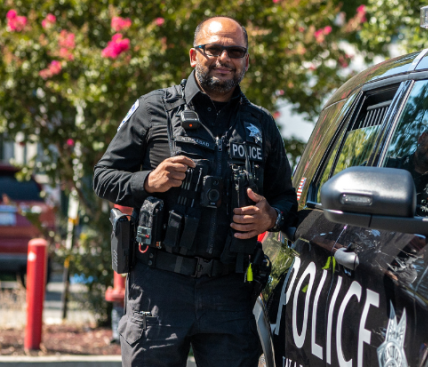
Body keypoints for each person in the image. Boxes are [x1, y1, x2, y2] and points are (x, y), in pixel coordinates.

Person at [92, 16, 296, 367]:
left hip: (230, 292)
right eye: (213, 49)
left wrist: (272, 216)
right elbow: (102, 177)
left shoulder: (260, 124)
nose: (224, 58)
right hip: (159, 287)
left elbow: (286, 197)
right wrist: (147, 182)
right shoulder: (154, 108)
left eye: (235, 51)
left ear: (246, 60)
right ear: (193, 56)